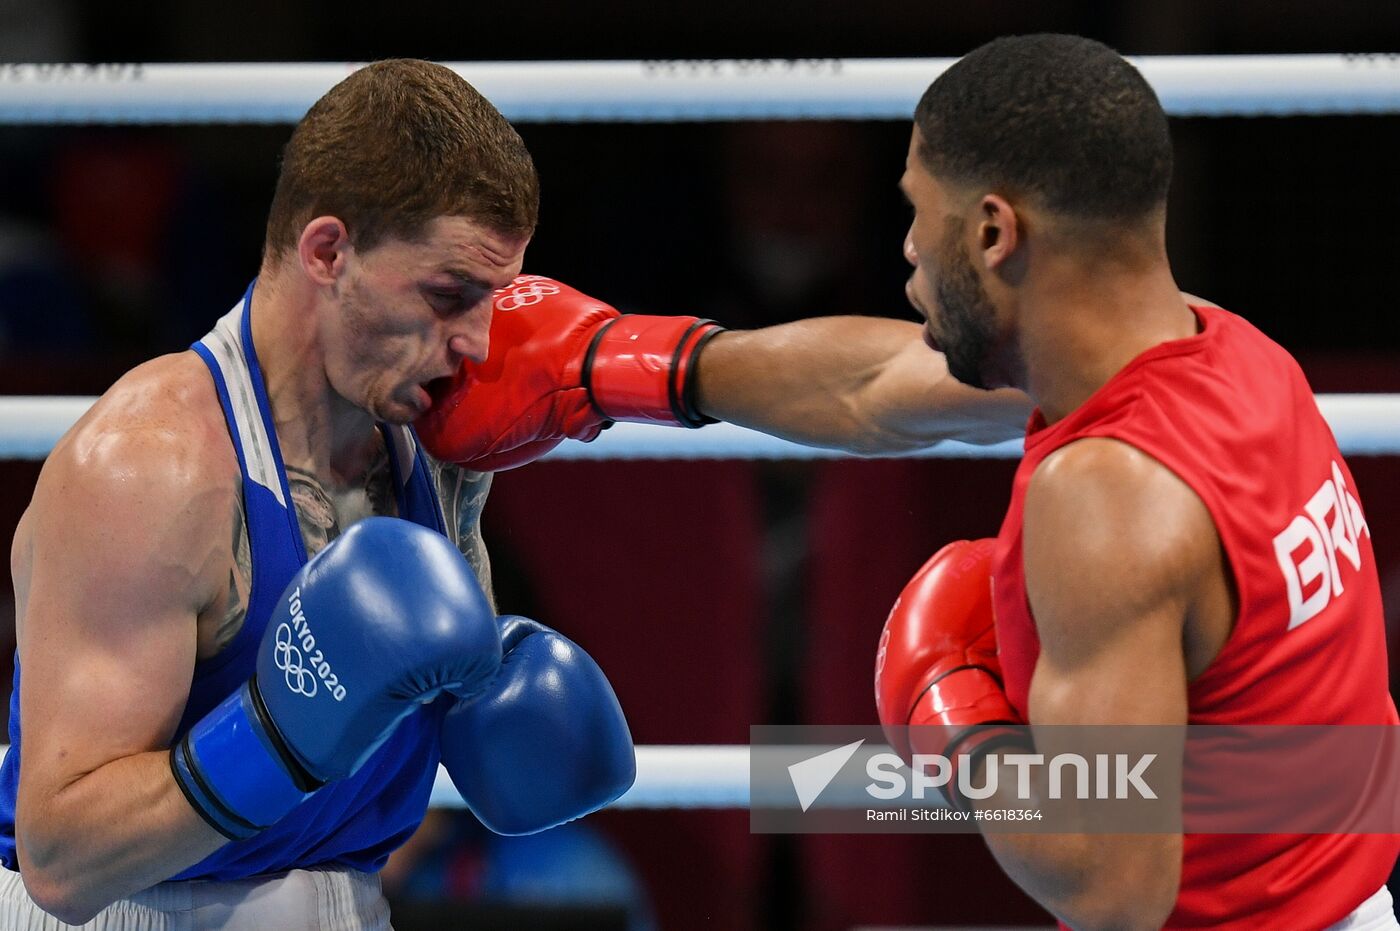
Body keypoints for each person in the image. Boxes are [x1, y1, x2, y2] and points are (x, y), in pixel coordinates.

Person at [421, 35, 1399, 930]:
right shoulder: (1221, 354)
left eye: (917, 212)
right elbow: (870, 387)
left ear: (989, 234)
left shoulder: (1106, 497)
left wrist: (953, 725)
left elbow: (1112, 887)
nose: (903, 251)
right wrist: (620, 360)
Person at [0, 60, 637, 929]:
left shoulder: (431, 445)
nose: (479, 345)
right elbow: (63, 859)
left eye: (492, 299)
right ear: (328, 250)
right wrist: (275, 737)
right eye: (450, 294)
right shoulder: (152, 467)